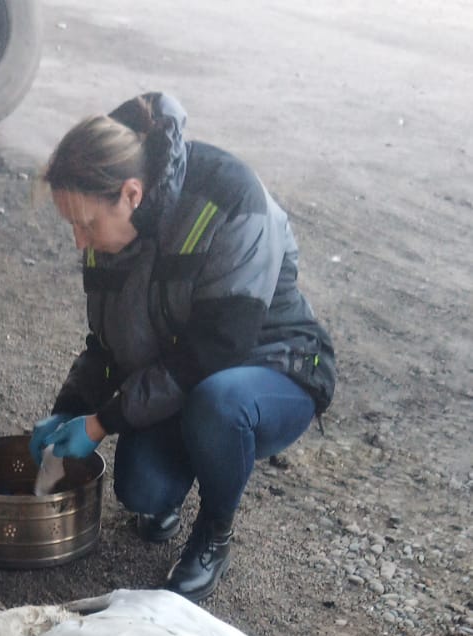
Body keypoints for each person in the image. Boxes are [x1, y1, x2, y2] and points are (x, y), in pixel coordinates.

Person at [28, 92, 336, 601]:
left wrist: (102, 422)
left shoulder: (230, 198)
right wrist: (69, 410)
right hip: (182, 369)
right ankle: (186, 467)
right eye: (72, 227)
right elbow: (106, 346)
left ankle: (215, 533)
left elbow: (215, 350)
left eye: (86, 225)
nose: (79, 243)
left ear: (131, 193)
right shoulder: (111, 231)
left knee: (219, 406)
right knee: (141, 492)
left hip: (271, 365)